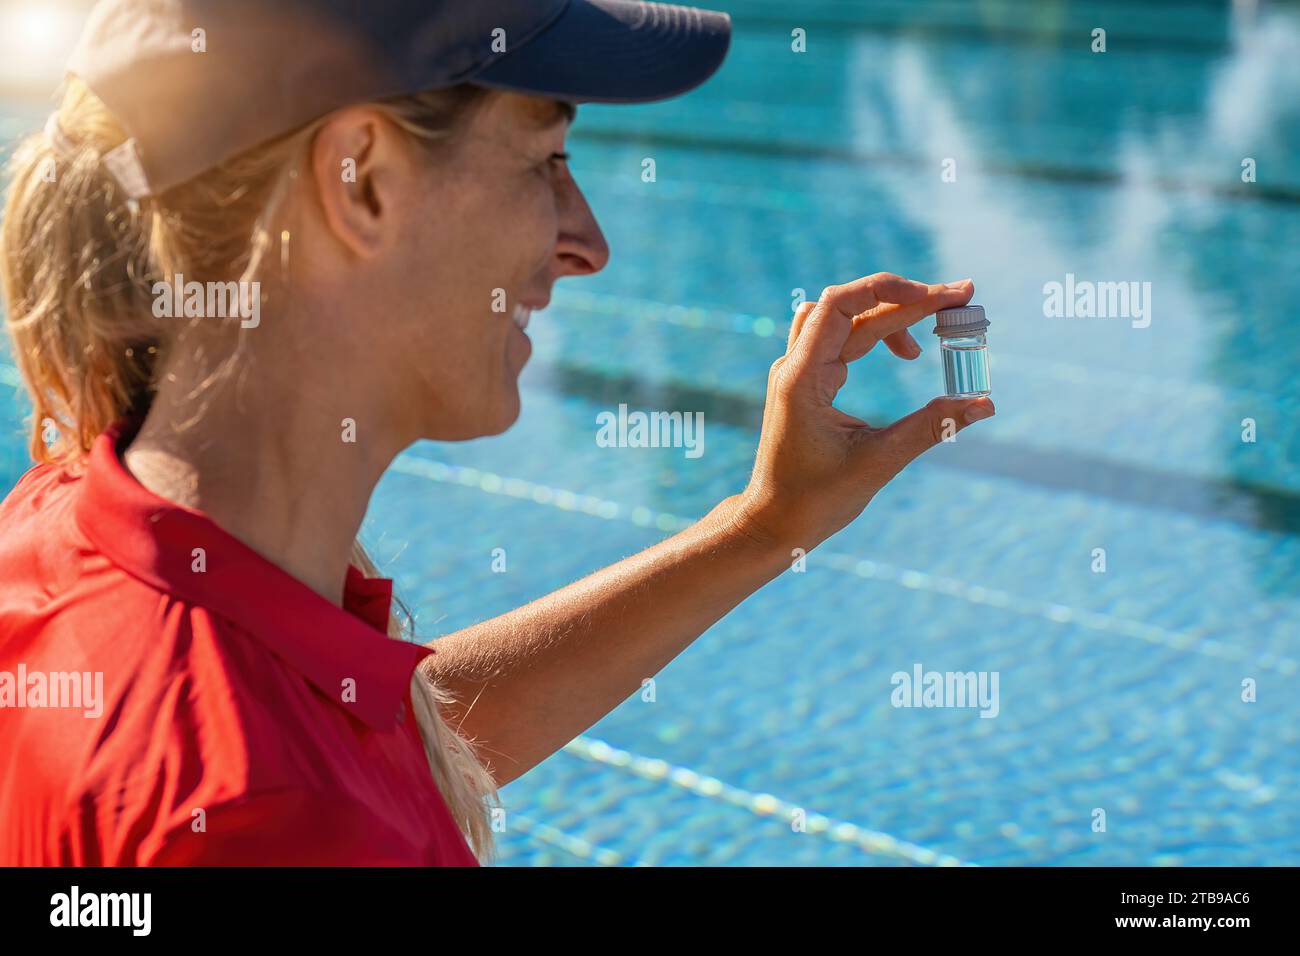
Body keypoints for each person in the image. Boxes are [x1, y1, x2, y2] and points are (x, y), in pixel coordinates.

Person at [0, 0, 994, 866]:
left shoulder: (68, 531)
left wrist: (767, 523)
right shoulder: (272, 822)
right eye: (546, 158)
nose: (587, 242)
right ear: (361, 181)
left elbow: (368, 736)